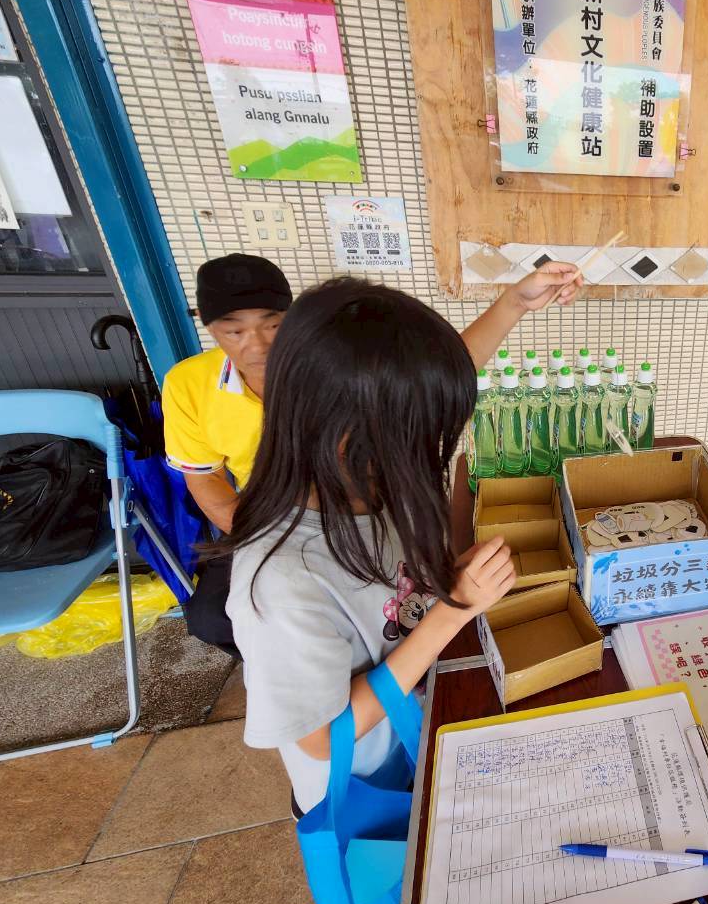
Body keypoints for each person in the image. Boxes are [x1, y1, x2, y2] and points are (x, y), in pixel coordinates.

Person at [163, 252, 580, 657]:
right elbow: (324, 730)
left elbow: (433, 375)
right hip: (284, 530)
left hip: (347, 540)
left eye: (271, 325)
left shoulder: (336, 403)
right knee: (218, 618)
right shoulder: (285, 589)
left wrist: (513, 303)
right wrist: (452, 612)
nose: (255, 344)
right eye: (234, 330)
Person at [212, 278, 516, 816]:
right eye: (420, 430)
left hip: (420, 739)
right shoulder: (280, 582)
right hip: (367, 792)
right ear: (354, 428)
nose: (428, 447)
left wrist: (449, 560)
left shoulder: (363, 481)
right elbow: (322, 740)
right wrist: (451, 613)